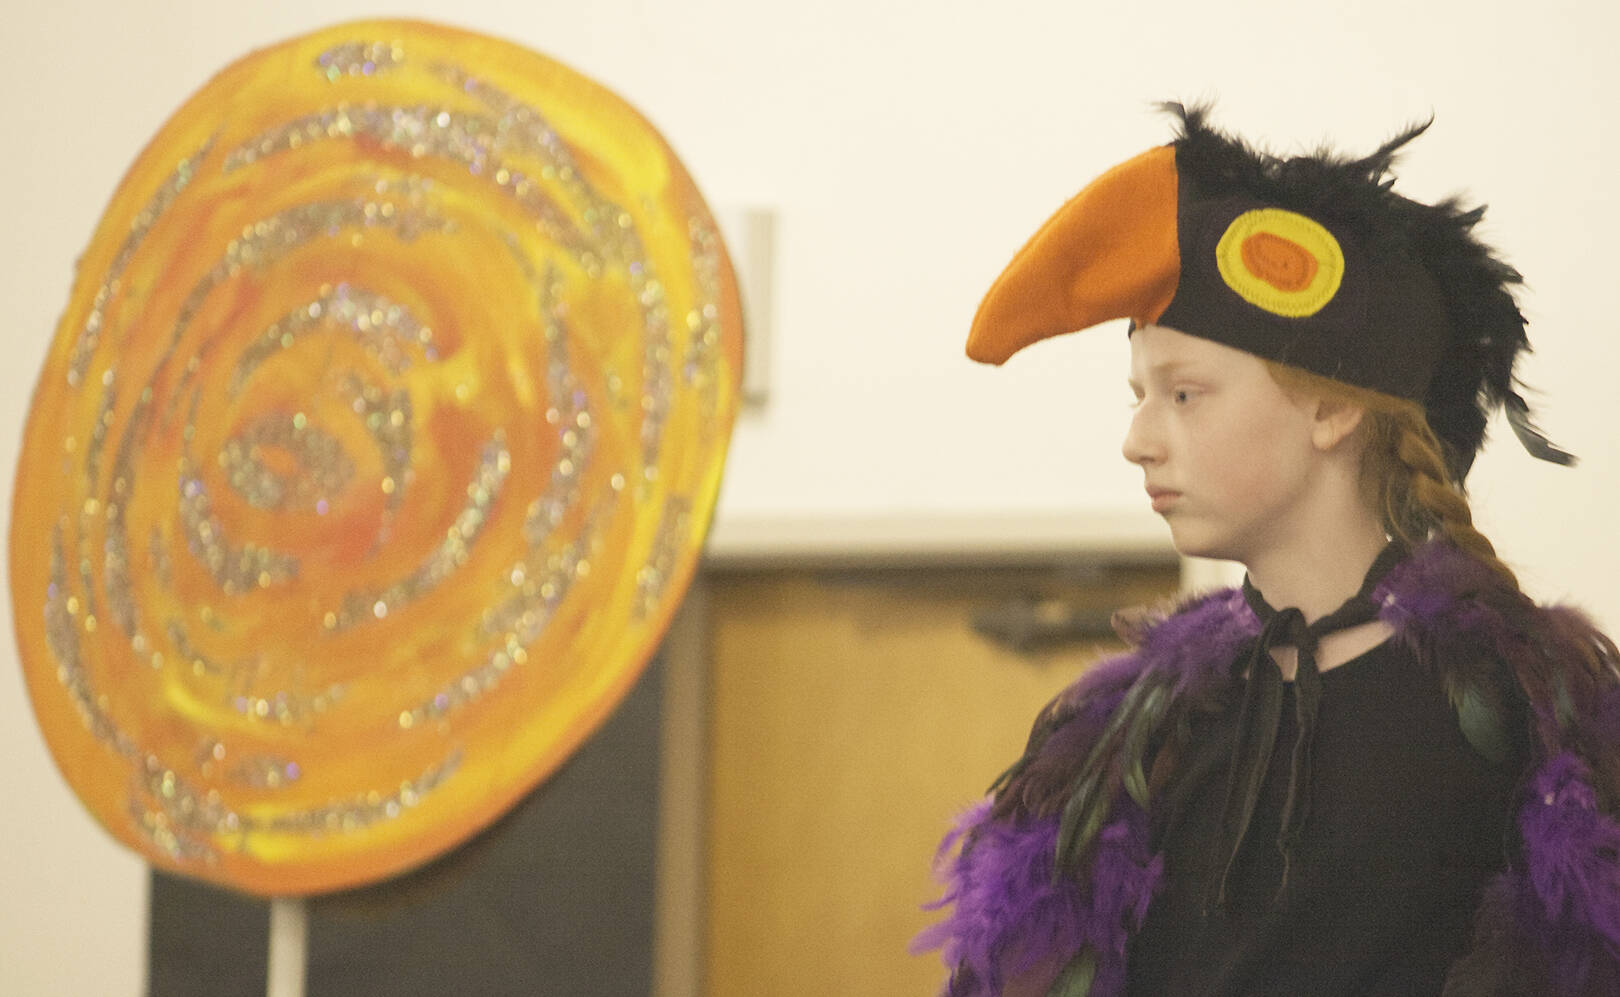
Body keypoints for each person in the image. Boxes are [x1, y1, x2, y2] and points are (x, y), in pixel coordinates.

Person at [915, 105, 1620, 997]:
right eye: (1138, 394)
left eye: (1184, 394)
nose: (1138, 437)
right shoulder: (1138, 732)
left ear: (1332, 409)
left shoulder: (1524, 717)